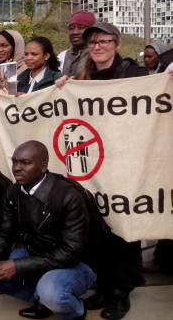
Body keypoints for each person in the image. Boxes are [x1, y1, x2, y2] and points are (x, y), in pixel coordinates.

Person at [55, 22, 146, 320]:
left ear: (117, 44)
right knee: (97, 227)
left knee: (123, 227)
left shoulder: (134, 74)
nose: (97, 46)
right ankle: (105, 285)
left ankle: (121, 291)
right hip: (92, 165)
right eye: (92, 41)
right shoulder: (82, 77)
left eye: (104, 41)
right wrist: (61, 90)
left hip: (124, 164)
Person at [0, 141, 95, 320]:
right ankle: (40, 299)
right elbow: (4, 232)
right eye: (15, 162)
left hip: (75, 263)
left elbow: (72, 251)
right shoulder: (14, 192)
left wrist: (17, 267)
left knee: (52, 293)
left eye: (25, 163)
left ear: (43, 167)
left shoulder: (68, 196)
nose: (17, 168)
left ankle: (75, 311)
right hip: (35, 253)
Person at [56, 11, 96, 78]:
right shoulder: (62, 56)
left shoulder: (97, 56)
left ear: (92, 31)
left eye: (81, 27)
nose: (75, 32)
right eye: (72, 28)